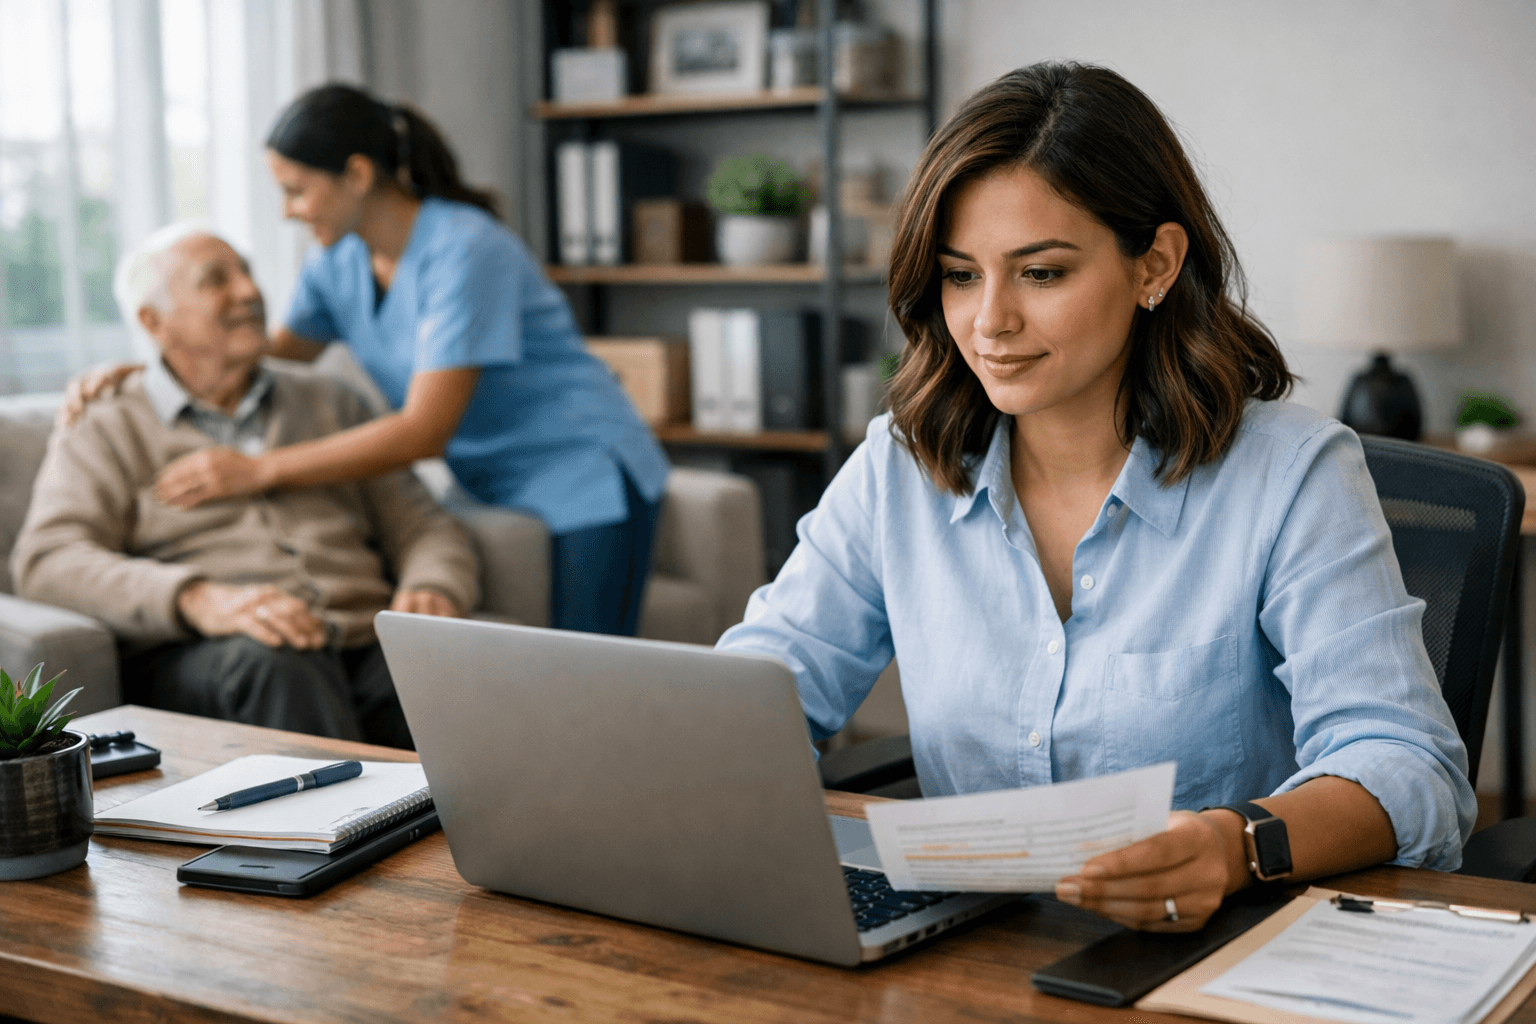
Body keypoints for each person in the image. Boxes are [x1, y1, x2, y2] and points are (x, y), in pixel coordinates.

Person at [716, 63, 1474, 932]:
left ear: (1154, 265)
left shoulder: (1292, 473)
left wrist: (1234, 845)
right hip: (971, 947)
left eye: (1040, 274)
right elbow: (760, 692)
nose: (989, 321)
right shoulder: (901, 466)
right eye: (961, 276)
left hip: (1216, 946)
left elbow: (1409, 766)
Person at [71, 83, 668, 636]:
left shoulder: (465, 250)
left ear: (357, 175)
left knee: (589, 669)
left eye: (296, 190)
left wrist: (259, 468)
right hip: (489, 474)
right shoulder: (337, 263)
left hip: (584, 465)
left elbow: (424, 430)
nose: (287, 212)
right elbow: (260, 355)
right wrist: (145, 366)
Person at [13, 224, 480, 747]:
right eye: (216, 280)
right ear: (153, 322)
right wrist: (196, 598)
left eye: (248, 273)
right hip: (215, 652)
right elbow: (48, 560)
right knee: (278, 668)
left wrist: (434, 585)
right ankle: (339, 830)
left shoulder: (330, 399)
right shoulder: (106, 423)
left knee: (451, 674)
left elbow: (423, 523)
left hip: (358, 634)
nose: (249, 291)